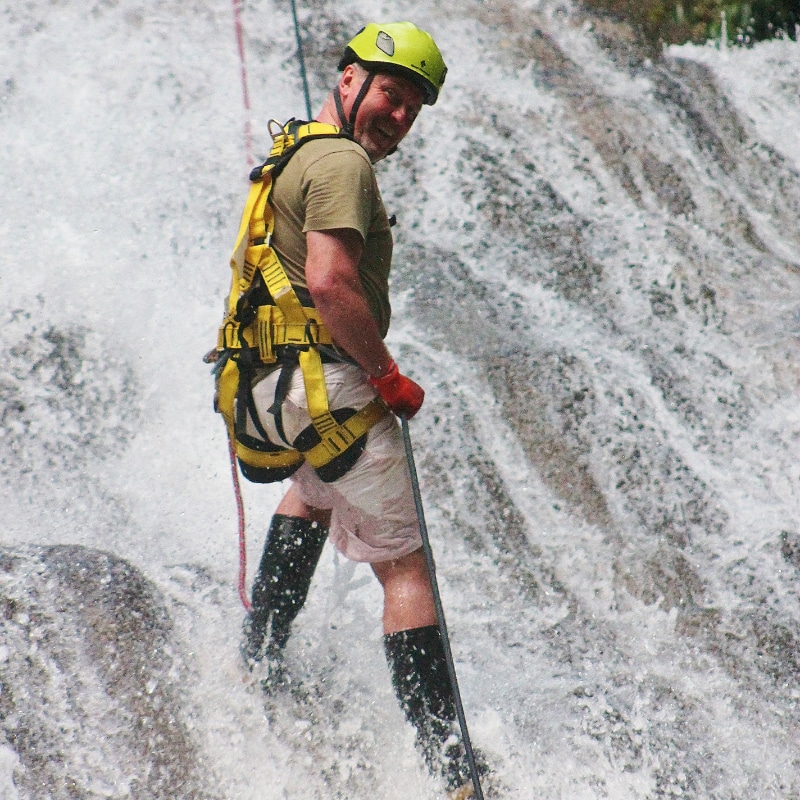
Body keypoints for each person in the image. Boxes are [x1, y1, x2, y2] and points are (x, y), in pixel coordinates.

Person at [218, 22, 480, 798]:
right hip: (328, 381)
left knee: (313, 491)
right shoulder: (340, 165)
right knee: (406, 567)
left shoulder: (296, 150)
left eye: (411, 108)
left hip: (272, 389)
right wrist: (388, 374)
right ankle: (451, 770)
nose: (397, 116)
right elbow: (331, 284)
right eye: (390, 96)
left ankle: (257, 661)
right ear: (347, 80)